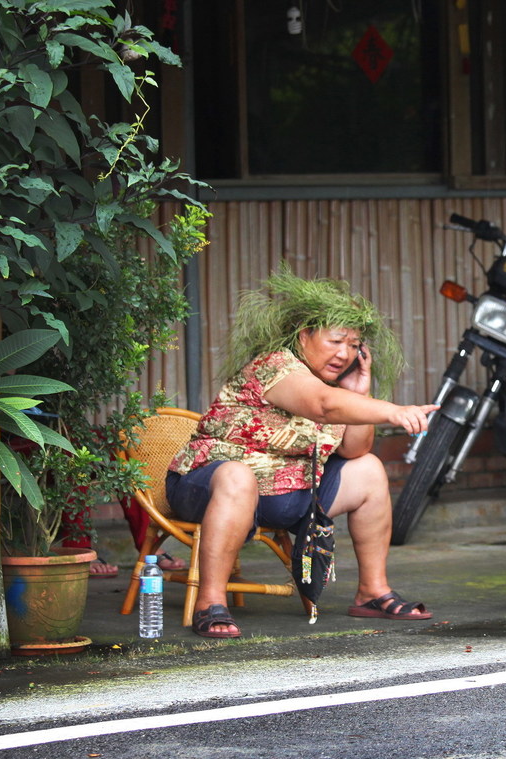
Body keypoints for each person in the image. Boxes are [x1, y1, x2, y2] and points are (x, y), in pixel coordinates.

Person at [166, 268, 438, 638]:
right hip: (209, 487)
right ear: (304, 335)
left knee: (369, 469)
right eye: (336, 340)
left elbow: (355, 448)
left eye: (354, 345)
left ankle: (372, 591)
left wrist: (360, 392)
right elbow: (322, 406)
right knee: (237, 476)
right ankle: (211, 601)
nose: (345, 353)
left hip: (290, 495)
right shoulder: (276, 365)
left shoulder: (336, 390)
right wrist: (393, 411)